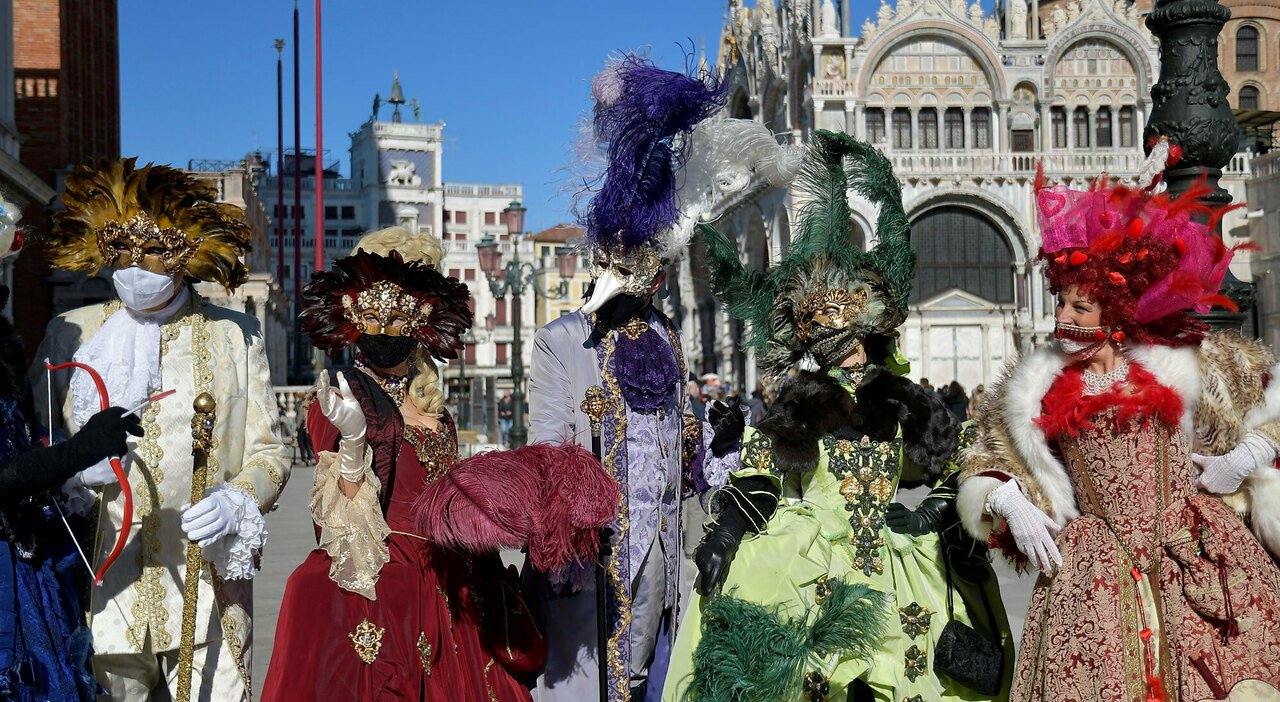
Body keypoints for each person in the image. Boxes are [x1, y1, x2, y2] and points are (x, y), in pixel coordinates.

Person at [662, 131, 1013, 702]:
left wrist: (930, 517)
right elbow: (762, 477)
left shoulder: (900, 399)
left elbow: (959, 461)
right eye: (832, 345)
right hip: (809, 558)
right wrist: (727, 532)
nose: (845, 355)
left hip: (889, 561)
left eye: (850, 340)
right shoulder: (804, 400)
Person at [958, 163, 1280, 700]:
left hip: (1192, 548)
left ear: (1117, 312)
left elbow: (1272, 404)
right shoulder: (1037, 385)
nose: (1062, 316)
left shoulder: (1186, 364)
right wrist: (1007, 498)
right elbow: (989, 459)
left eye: (1079, 305)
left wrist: (1247, 454)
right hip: (1095, 570)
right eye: (1060, 301)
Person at [526, 55, 770, 702]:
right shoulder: (561, 344)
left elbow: (681, 457)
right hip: (594, 579)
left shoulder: (666, 338)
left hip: (663, 572)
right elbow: (546, 458)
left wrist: (719, 446)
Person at [33, 159, 291, 699]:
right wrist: (71, 485)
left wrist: (237, 499)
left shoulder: (233, 337)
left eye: (150, 253)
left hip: (207, 587)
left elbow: (270, 453)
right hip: (103, 592)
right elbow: (37, 451)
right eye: (121, 253)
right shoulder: (70, 336)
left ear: (183, 257)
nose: (133, 268)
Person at [262, 229, 547, 701]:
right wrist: (353, 441)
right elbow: (340, 522)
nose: (382, 330)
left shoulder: (436, 408)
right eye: (371, 315)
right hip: (389, 582)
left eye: (397, 316)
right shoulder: (342, 398)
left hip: (458, 584)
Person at [0, 196, 143, 700]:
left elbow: (22, 445)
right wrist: (78, 453)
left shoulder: (3, 347)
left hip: (23, 558)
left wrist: (70, 475)